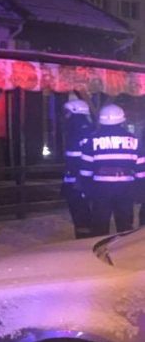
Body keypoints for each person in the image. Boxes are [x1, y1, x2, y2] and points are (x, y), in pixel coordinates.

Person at [79, 104, 141, 236]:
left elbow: (85, 171)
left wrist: (87, 190)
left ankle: (99, 246)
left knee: (100, 224)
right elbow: (141, 169)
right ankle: (124, 248)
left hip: (101, 187)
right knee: (125, 225)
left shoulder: (92, 140)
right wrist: (140, 189)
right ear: (122, 120)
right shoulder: (134, 140)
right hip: (125, 187)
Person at [61, 99, 94, 239]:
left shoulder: (79, 131)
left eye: (68, 112)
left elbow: (76, 160)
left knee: (81, 213)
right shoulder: (85, 130)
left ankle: (84, 240)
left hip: (78, 182)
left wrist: (75, 182)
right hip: (78, 180)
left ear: (76, 113)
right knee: (82, 213)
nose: (65, 116)